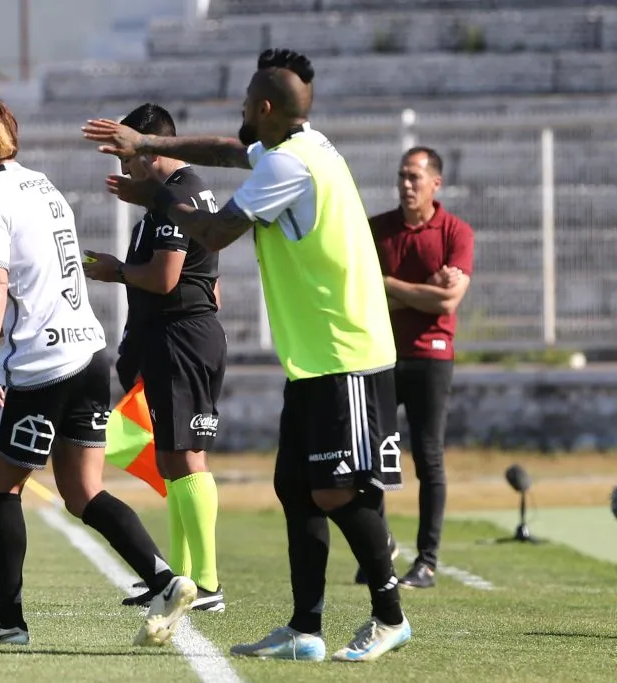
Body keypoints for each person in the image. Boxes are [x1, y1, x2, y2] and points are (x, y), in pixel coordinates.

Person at [82, 48, 411, 662]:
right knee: (296, 487)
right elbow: (229, 152)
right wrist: (146, 142)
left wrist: (152, 189)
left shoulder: (291, 167)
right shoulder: (298, 146)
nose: (236, 115)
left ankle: (389, 614)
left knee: (337, 492)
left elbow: (213, 233)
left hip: (348, 350)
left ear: (263, 107)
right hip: (312, 355)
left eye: (243, 104)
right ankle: (304, 629)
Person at [0, 94, 195, 648]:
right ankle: (165, 580)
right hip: (86, 355)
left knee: (1, 484)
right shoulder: (43, 186)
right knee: (82, 490)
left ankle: (8, 622)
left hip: (39, 369)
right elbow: (43, 279)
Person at [83, 102, 227, 613]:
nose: (122, 166)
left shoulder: (179, 194)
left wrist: (115, 270)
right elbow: (209, 280)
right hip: (176, 336)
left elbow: (165, 278)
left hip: (182, 339)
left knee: (186, 455)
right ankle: (180, 580)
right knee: (171, 457)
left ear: (148, 144)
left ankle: (206, 582)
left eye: (126, 151)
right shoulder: (174, 197)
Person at [367, 146, 474, 589]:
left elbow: (449, 301)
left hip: (432, 356)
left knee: (428, 459)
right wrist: (420, 289)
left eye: (415, 176)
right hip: (381, 354)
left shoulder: (456, 232)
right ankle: (380, 547)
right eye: (402, 176)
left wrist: (389, 285)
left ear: (436, 183)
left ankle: (427, 561)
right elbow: (364, 294)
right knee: (374, 458)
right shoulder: (377, 229)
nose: (406, 184)